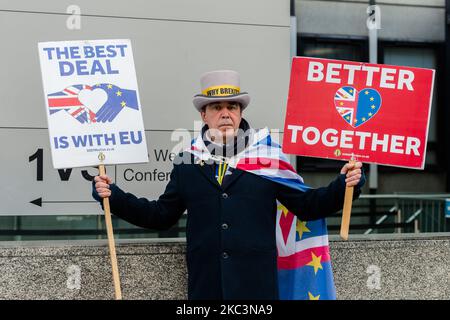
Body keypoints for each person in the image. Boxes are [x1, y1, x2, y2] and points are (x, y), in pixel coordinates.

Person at [93, 70, 365, 300]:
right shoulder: (187, 162)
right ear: (204, 114)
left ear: (241, 112)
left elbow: (308, 206)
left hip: (256, 289)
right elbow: (161, 216)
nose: (225, 113)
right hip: (206, 288)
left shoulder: (267, 158)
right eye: (217, 107)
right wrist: (113, 196)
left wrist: (346, 185)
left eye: (232, 106)